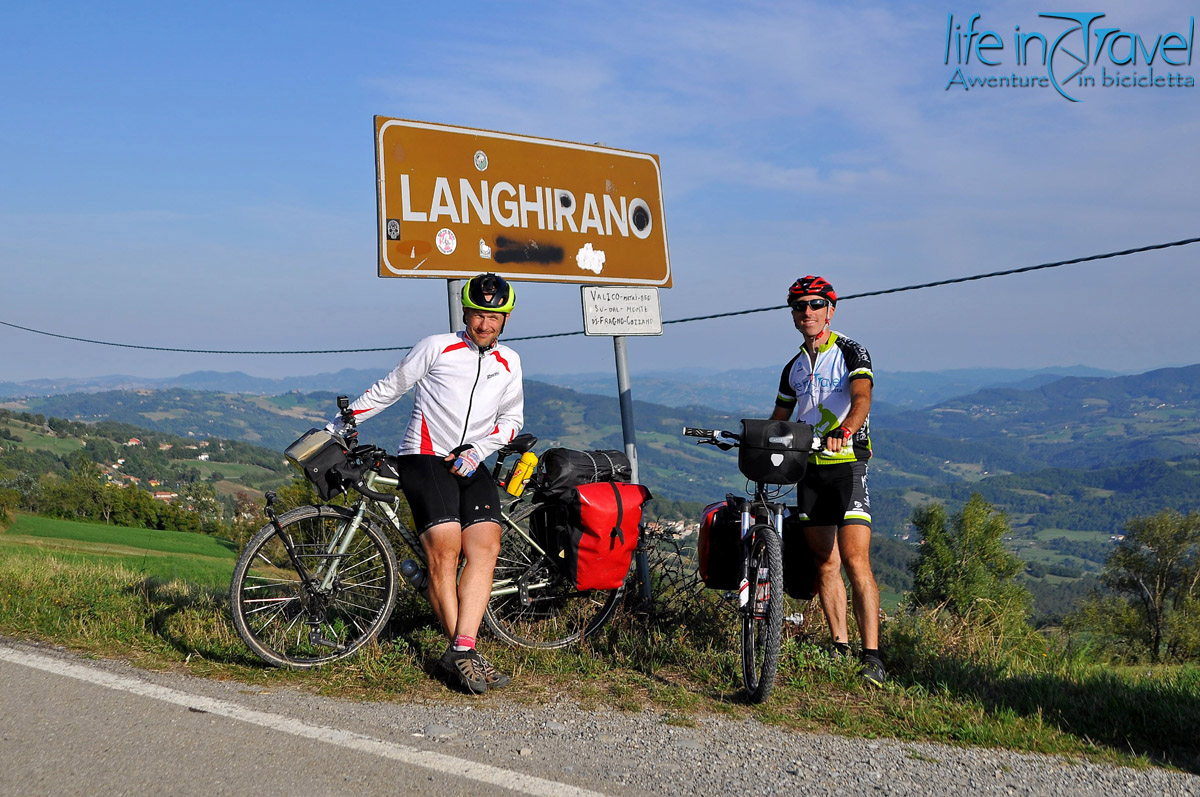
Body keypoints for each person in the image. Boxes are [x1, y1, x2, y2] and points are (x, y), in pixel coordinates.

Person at [327, 273, 523, 694]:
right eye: (478, 314)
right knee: (447, 550)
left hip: (471, 460)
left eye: (495, 316)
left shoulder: (510, 361)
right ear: (465, 312)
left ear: (505, 319)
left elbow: (512, 420)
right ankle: (465, 655)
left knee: (487, 545)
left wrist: (480, 450)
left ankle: (462, 648)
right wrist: (340, 425)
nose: (485, 324)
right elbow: (391, 388)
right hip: (425, 456)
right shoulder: (437, 346)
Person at [769, 275, 885, 686]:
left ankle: (871, 656)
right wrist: (754, 442)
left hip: (847, 463)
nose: (807, 313)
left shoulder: (850, 350)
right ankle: (839, 646)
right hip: (809, 468)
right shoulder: (793, 367)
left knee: (855, 559)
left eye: (815, 305)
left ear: (829, 310)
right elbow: (779, 420)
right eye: (799, 307)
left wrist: (846, 431)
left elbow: (862, 398)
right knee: (825, 562)